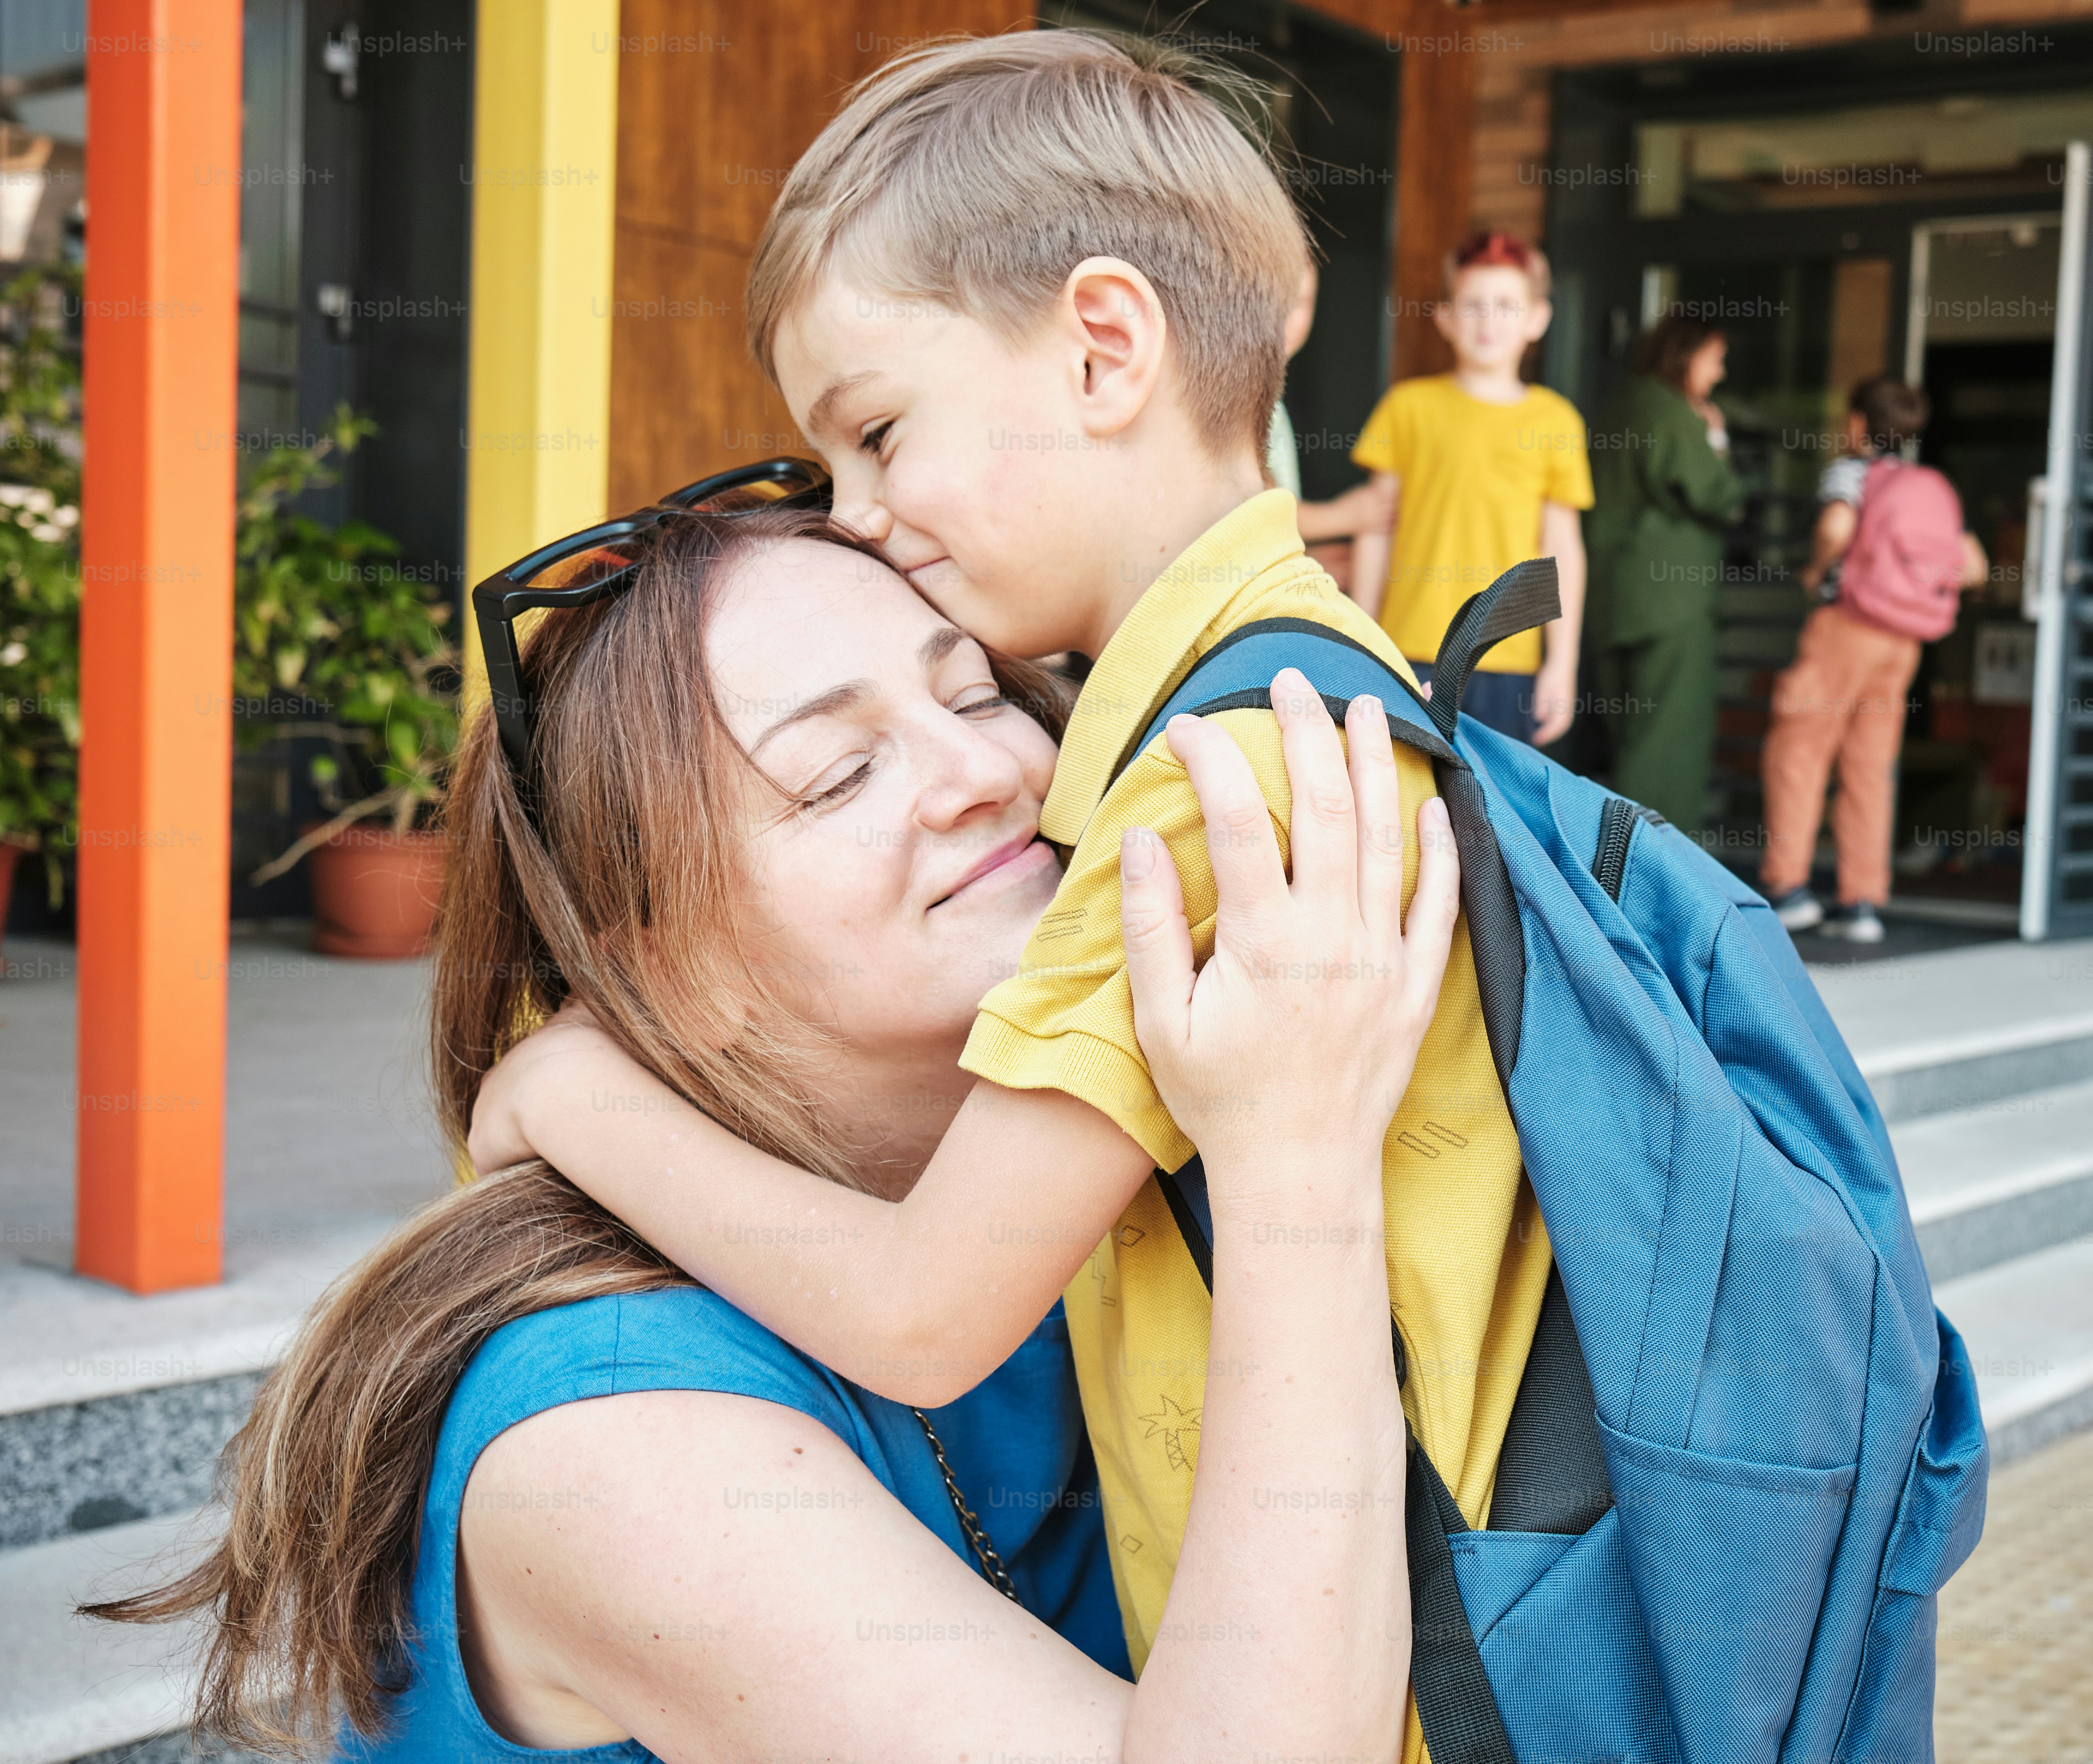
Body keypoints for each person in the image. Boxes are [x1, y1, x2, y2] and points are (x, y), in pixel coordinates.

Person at [474, 38, 1552, 1756]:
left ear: (1106, 346)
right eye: (836, 773)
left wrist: (558, 1091)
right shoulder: (1313, 687)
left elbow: (920, 1308)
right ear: (656, 956)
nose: (862, 516)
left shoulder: (1214, 776)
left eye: (877, 434)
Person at [89, 506, 1448, 1764]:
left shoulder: (1082, 1184)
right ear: (667, 972)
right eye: (840, 774)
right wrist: (1298, 1164)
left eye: (975, 693)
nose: (986, 770)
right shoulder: (614, 1439)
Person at [1764, 375, 1989, 944]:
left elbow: (1835, 526)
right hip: (1902, 641)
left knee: (1799, 750)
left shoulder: (1851, 473)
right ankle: (1860, 902)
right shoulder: (1931, 486)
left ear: (1859, 422)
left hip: (1847, 624)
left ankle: (1788, 891)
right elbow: (1974, 566)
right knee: (1870, 766)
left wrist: (1816, 570)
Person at [1349, 230, 1594, 744]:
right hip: (1407, 649)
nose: (1488, 320)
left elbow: (1562, 549)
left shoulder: (1557, 421)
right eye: (1473, 305)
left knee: (1491, 795)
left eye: (1506, 305)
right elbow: (1375, 530)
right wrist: (1362, 638)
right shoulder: (1406, 407)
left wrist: (1562, 663)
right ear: (1445, 317)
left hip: (1510, 653)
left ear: (1537, 319)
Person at [1585, 313, 1748, 831]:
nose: (1719, 373)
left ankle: (1614, 856)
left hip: (1614, 600)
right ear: (1686, 354)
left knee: (1632, 737)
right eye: (1715, 359)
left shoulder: (1618, 408)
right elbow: (1721, 497)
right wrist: (1716, 440)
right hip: (1670, 604)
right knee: (1668, 748)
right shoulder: (1672, 412)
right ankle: (1655, 869)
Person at [1272, 254, 1395, 550]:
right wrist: (1345, 516)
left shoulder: (1274, 406)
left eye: (1300, 302)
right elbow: (1256, 513)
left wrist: (1314, 556)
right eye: (1273, 299)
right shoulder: (1231, 401)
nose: (1285, 316)